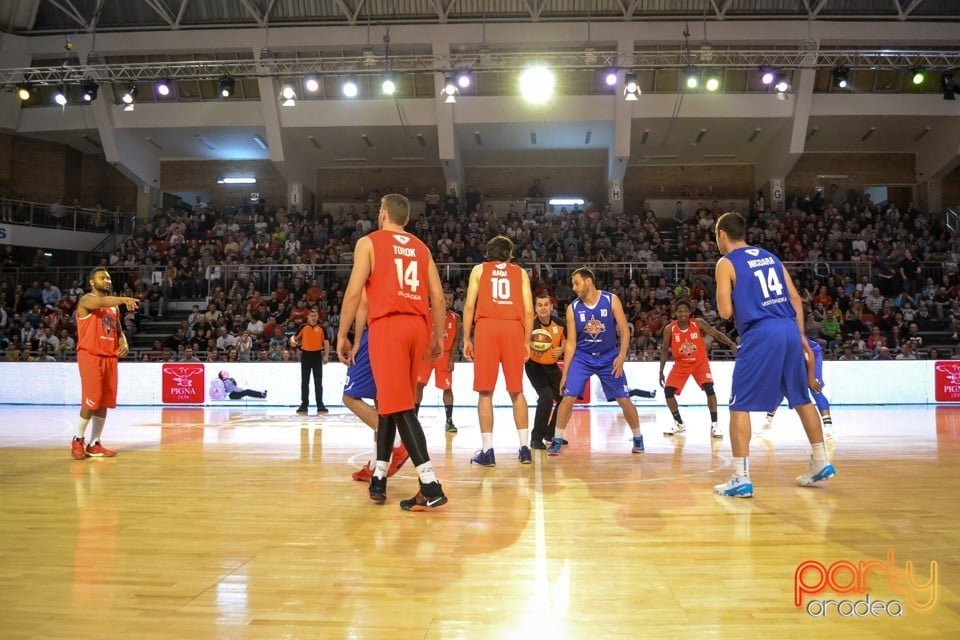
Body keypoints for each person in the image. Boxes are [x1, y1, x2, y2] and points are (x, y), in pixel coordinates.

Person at [337, 193, 448, 511]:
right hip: (418, 326)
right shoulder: (421, 248)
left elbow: (354, 293)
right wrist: (437, 337)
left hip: (388, 327)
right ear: (407, 219)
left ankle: (430, 485)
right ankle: (379, 478)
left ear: (382, 214)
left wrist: (343, 334)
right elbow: (438, 298)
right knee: (389, 402)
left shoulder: (369, 243)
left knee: (400, 407)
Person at [713, 212, 835, 498]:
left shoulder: (726, 262)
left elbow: (725, 312)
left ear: (722, 235)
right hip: (789, 329)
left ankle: (740, 477)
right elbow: (795, 298)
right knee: (801, 398)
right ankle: (820, 460)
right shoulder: (771, 257)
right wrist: (800, 334)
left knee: (738, 404)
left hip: (761, 332)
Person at [548, 267, 644, 456]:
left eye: (576, 283)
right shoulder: (573, 308)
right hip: (582, 357)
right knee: (567, 398)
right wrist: (565, 373)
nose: (573, 288)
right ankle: (557, 439)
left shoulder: (610, 299)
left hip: (609, 356)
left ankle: (638, 437)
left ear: (588, 282)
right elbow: (571, 343)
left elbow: (625, 332)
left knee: (624, 399)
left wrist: (621, 357)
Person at [462, 235, 534, 466]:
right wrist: (526, 341)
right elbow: (529, 311)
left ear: (488, 253)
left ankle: (488, 451)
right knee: (517, 391)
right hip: (513, 328)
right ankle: (524, 448)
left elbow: (469, 306)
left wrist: (466, 338)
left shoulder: (479, 270)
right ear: (509, 254)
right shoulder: (520, 273)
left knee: (485, 392)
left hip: (487, 327)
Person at [71, 267, 139, 459]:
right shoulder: (86, 300)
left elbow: (118, 330)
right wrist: (124, 299)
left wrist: (123, 342)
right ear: (92, 282)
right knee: (92, 399)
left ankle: (95, 443)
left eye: (108, 278)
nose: (107, 281)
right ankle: (77, 439)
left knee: (104, 401)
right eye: (102, 278)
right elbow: (100, 302)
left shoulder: (114, 308)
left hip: (109, 356)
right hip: (90, 355)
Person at [344, 294, 409, 483]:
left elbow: (361, 301)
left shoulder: (371, 275)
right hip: (400, 333)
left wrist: (352, 339)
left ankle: (396, 443)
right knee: (381, 402)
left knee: (349, 397)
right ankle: (377, 464)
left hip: (376, 331)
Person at [658, 300, 738, 439]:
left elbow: (715, 334)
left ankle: (715, 424)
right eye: (680, 311)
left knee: (709, 388)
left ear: (690, 312)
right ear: (675, 313)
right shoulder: (669, 329)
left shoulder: (698, 323)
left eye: (685, 311)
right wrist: (661, 371)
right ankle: (679, 423)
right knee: (668, 391)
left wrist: (731, 344)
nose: (683, 313)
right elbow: (665, 351)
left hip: (699, 362)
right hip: (681, 363)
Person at [764, 335, 834, 441]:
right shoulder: (773, 344)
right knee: (780, 389)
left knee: (815, 389)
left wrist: (811, 377)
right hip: (795, 358)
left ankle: (828, 427)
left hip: (812, 355)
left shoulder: (791, 337)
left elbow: (809, 354)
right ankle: (767, 421)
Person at [415, 292, 460, 433]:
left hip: (444, 355)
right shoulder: (427, 312)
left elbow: (456, 340)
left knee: (447, 388)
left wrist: (451, 359)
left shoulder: (456, 318)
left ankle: (449, 420)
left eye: (450, 299)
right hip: (426, 354)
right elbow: (419, 333)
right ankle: (414, 418)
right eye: (445, 298)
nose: (447, 301)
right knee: (418, 385)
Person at [525, 293, 565, 449]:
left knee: (565, 398)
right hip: (534, 366)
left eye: (546, 305)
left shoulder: (559, 323)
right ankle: (536, 439)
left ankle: (551, 434)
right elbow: (521, 343)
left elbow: (568, 342)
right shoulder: (530, 324)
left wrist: (562, 349)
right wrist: (530, 347)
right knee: (546, 398)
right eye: (539, 305)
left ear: (551, 307)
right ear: (535, 308)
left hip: (552, 366)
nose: (543, 308)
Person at [291, 306, 329, 415]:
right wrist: (292, 341)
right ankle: (304, 404)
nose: (313, 318)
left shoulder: (321, 328)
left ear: (317, 317)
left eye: (315, 316)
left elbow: (326, 342)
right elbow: (294, 338)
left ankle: (320, 404)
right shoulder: (303, 327)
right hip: (306, 356)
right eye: (311, 316)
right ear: (308, 317)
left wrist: (326, 355)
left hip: (317, 355)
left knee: (318, 382)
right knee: (305, 382)